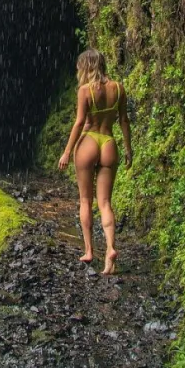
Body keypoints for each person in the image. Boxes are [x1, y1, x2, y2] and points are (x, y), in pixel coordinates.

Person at [58, 49, 132, 275]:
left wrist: (67, 151)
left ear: (86, 67)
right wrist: (128, 149)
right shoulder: (118, 88)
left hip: (88, 142)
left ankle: (89, 251)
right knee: (105, 202)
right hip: (108, 142)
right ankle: (110, 249)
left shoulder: (85, 90)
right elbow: (124, 120)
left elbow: (80, 123)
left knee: (85, 200)